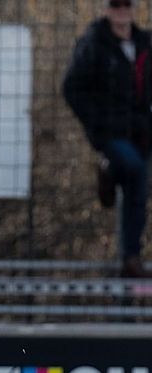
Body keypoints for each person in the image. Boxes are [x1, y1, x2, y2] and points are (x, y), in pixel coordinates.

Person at [64, 0, 151, 278]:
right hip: (110, 132)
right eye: (116, 5)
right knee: (135, 170)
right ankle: (109, 167)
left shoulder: (145, 42)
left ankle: (131, 256)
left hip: (142, 131)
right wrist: (95, 122)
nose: (121, 10)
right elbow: (71, 87)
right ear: (106, 9)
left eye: (126, 4)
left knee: (138, 191)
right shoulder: (93, 43)